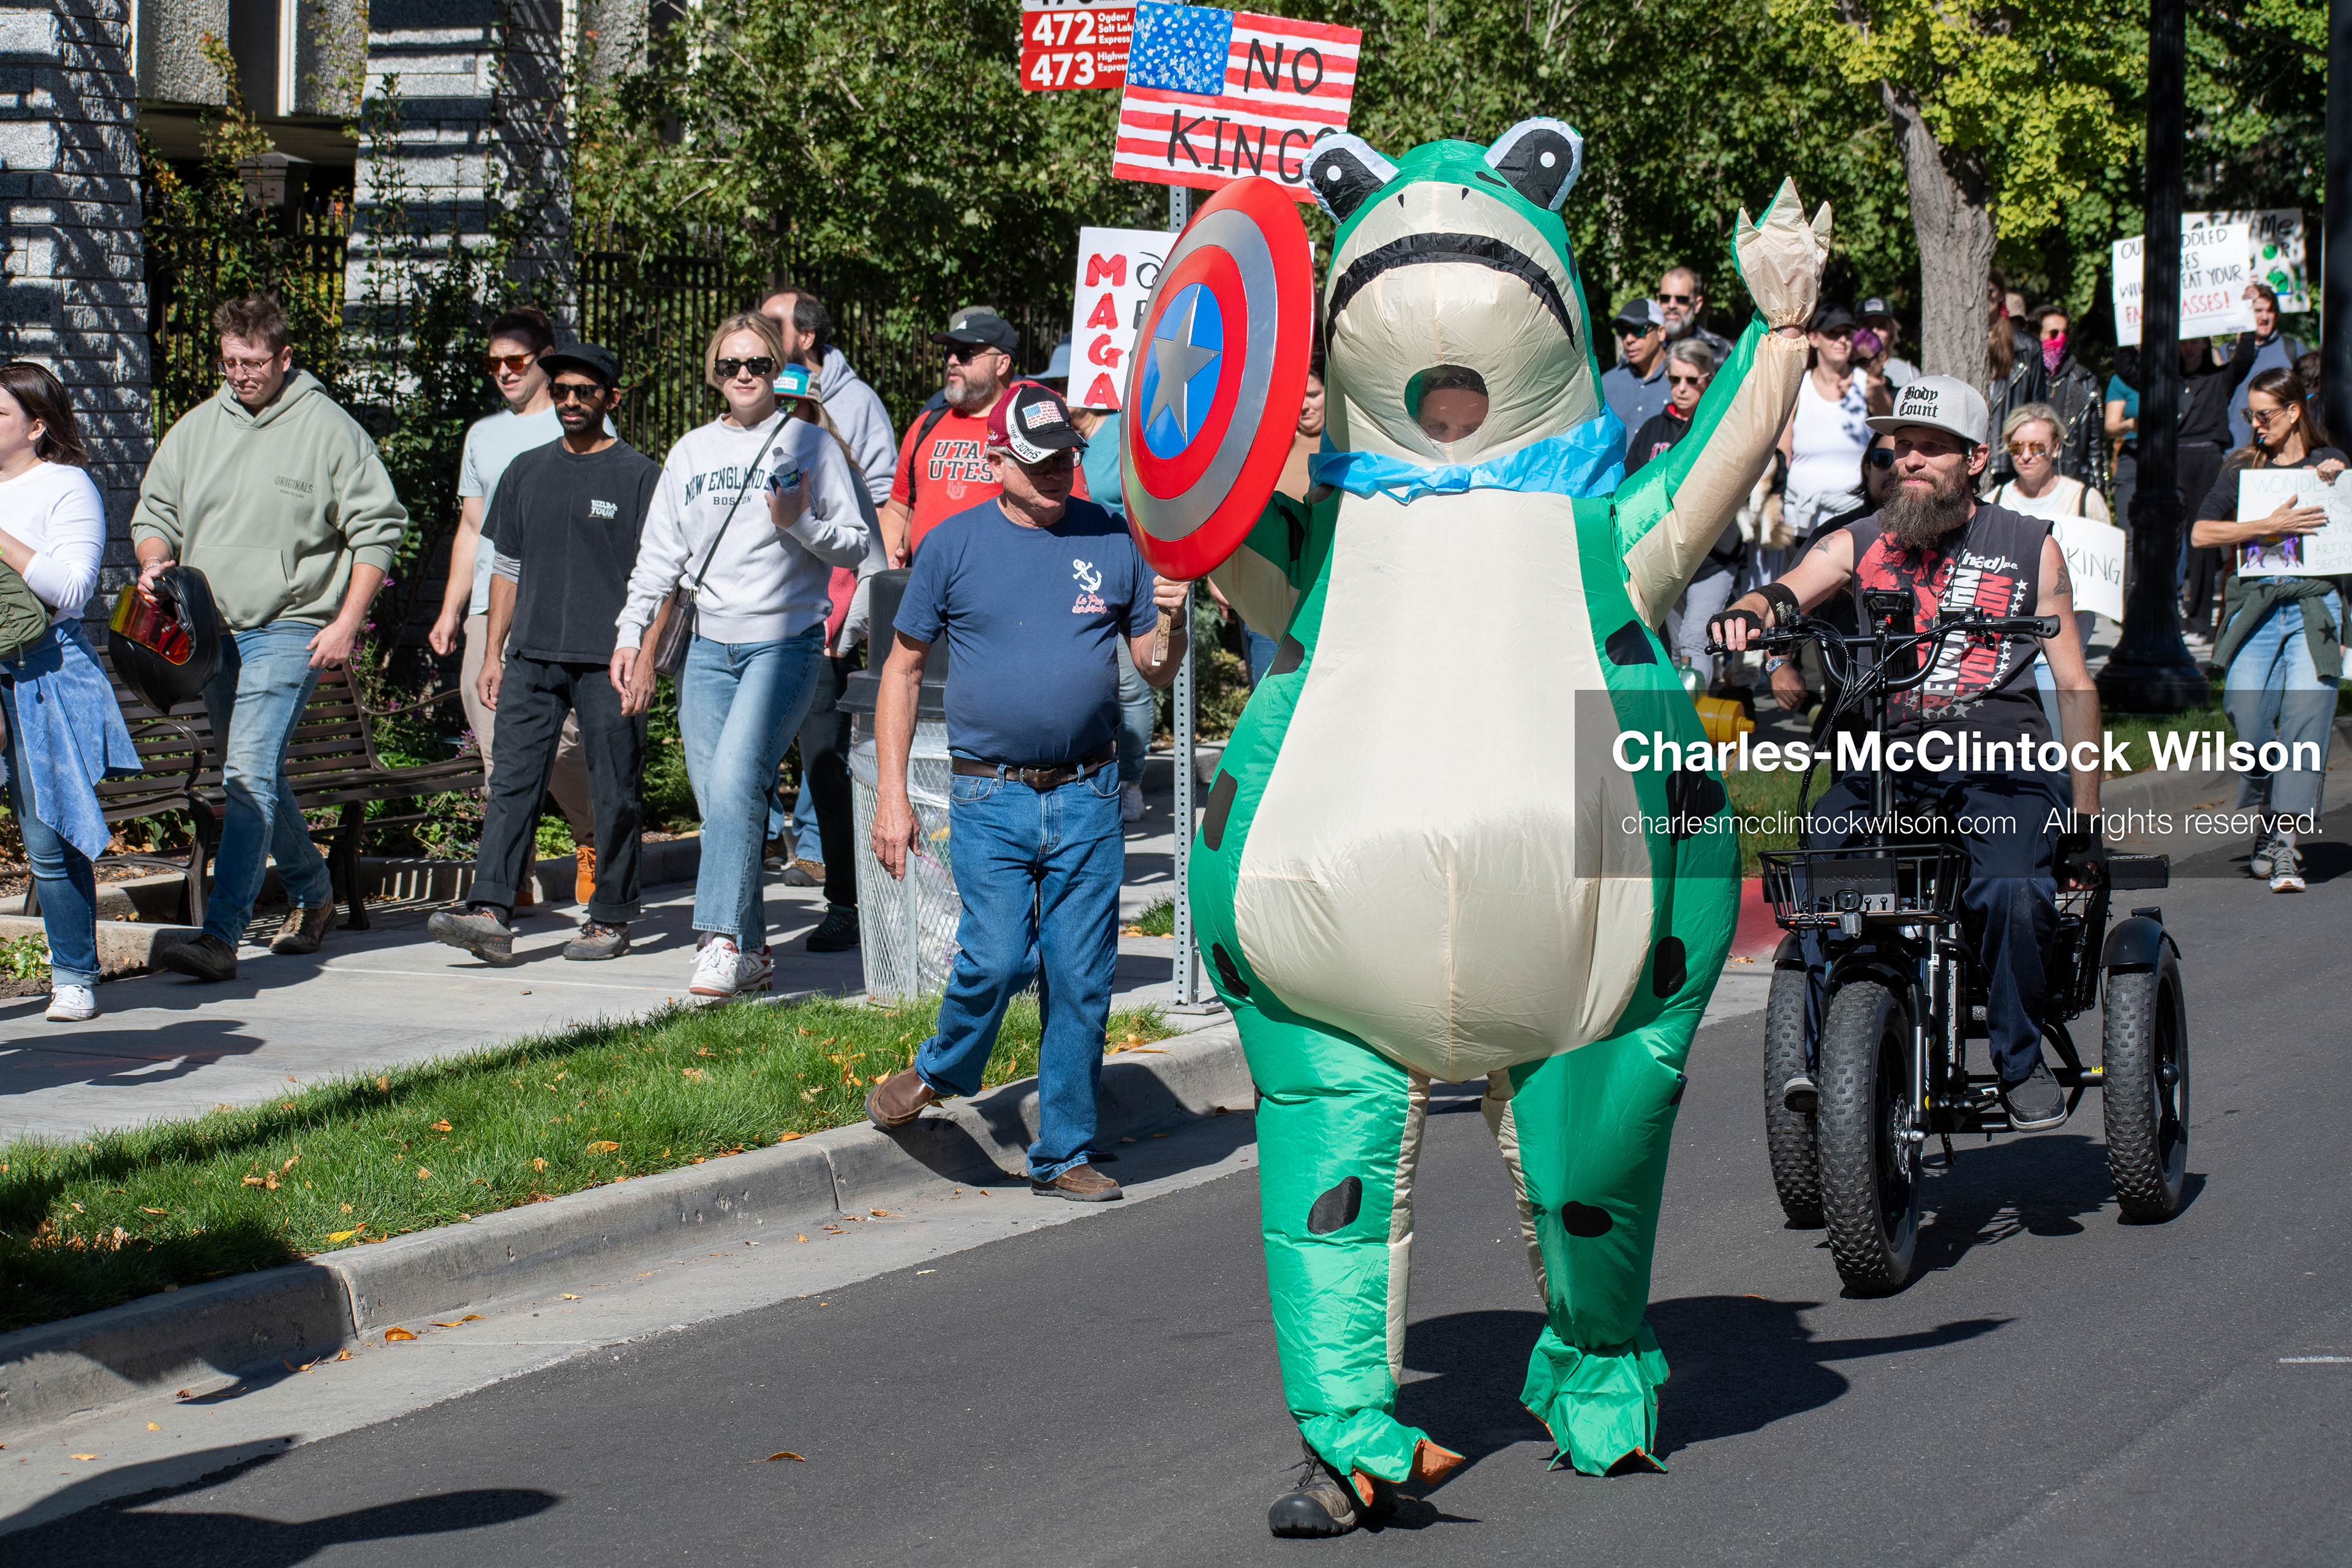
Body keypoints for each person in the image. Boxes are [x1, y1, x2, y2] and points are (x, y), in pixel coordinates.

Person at [1712, 375, 2103, 1133]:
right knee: (1822, 860)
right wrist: (1748, 612)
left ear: (1977, 459)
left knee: (2014, 886)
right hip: (1883, 767)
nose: (1910, 461)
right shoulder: (1859, 540)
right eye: (1902, 448)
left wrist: (2085, 816)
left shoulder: (2029, 547)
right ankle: (1829, 1051)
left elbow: (2076, 685)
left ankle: (2020, 1061)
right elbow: (1792, 587)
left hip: (2001, 768)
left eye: (1932, 448)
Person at [861, 381, 1188, 1200]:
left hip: (1087, 793)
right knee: (1000, 956)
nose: (1056, 476)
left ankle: (1065, 1152)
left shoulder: (1113, 538)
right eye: (1039, 463)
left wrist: (1174, 623)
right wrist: (891, 797)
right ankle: (941, 1069)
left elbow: (1153, 665)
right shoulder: (953, 543)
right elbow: (901, 671)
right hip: (988, 796)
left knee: (1082, 976)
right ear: (997, 459)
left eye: (1067, 462)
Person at [135, 293, 407, 982]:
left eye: (254, 362)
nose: (240, 375)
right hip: (211, 632)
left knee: (245, 772)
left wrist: (346, 621)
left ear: (285, 357)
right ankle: (316, 895)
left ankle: (221, 936)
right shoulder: (197, 429)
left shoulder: (329, 430)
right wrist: (153, 561)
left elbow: (378, 527)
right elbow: (156, 509)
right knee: (256, 776)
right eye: (230, 362)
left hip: (292, 625)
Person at [602, 317, 871, 993]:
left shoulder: (810, 442)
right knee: (721, 797)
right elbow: (659, 555)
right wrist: (630, 634)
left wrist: (799, 523)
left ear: (777, 369)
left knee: (735, 780)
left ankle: (719, 938)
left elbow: (858, 543)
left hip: (785, 640)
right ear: (713, 374)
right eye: (730, 366)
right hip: (707, 645)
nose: (743, 375)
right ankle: (750, 950)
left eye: (756, 363)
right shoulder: (690, 451)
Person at [427, 345, 661, 967]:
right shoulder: (526, 471)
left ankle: (609, 916)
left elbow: (665, 575)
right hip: (531, 655)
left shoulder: (640, 476)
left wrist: (645, 659)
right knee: (512, 780)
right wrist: (495, 652)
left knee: (615, 788)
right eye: (562, 391)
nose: (572, 402)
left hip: (608, 658)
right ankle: (489, 911)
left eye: (586, 391)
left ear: (613, 398)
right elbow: (505, 566)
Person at [428, 306, 600, 910]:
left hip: (555, 604)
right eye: (494, 361)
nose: (503, 371)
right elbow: (472, 529)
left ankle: (593, 837)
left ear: (544, 358)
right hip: (487, 606)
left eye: (515, 361)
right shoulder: (484, 435)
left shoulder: (575, 420)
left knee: (563, 744)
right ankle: (511, 877)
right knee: (498, 746)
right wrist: (452, 609)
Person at [0, 364, 138, 1022]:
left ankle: (74, 975)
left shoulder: (66, 486)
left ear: (36, 426)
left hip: (40, 671)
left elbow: (75, 590)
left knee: (48, 836)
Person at [2190, 366, 2343, 893]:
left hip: (2313, 607)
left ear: (2294, 411)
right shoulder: (2242, 468)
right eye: (2249, 415)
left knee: (2306, 720)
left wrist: (2333, 471)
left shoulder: (2330, 467)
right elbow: (2201, 532)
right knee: (2248, 715)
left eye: (2265, 414)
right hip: (2255, 605)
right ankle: (2269, 801)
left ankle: (2284, 845)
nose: (2256, 424)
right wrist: (2265, 527)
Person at [1040, 338, 1158, 824]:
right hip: (1064, 575)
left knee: (1129, 684)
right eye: (1055, 385)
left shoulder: (1124, 433)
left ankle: (1129, 779)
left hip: (1123, 573)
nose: (1059, 394)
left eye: (1067, 384)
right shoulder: (1050, 441)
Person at [2114, 331, 2264, 632]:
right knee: (2165, 537)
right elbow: (2126, 368)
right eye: (2183, 342)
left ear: (2206, 344)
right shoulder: (2165, 381)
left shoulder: (2220, 377)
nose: (2189, 348)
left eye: (2195, 341)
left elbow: (2245, 356)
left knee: (2203, 542)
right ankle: (2166, 609)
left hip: (2207, 459)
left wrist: (2245, 319)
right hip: (2171, 458)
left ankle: (2199, 617)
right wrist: (2130, 331)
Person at [880, 307, 1023, 565]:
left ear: (1002, 364)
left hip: (999, 591)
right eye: (949, 352)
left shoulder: (1030, 429)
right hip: (925, 591)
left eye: (965, 353)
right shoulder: (926, 425)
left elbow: (1064, 512)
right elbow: (900, 510)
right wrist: (886, 566)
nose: (952, 361)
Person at [1634, 342, 1741, 682]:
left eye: (1691, 380)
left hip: (1714, 554)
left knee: (1696, 638)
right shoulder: (1653, 429)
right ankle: (1694, 714)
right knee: (1677, 643)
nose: (1681, 388)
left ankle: (1692, 731)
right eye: (1674, 378)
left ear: (1708, 380)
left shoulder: (1725, 427)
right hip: (1668, 554)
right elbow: (1631, 484)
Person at [1778, 304, 1880, 551]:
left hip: (1857, 521)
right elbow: (1783, 454)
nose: (1842, 340)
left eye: (1847, 334)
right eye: (1833, 334)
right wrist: (1777, 503)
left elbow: (1889, 444)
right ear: (1813, 338)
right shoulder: (1798, 387)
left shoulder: (1870, 387)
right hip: (1802, 521)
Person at [2024, 305, 2107, 492]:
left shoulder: (2084, 381)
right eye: (2053, 334)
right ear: (2036, 335)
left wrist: (2098, 492)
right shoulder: (2023, 378)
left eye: (2065, 333)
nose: (2060, 340)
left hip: (2070, 483)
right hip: (2029, 485)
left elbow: (2095, 447)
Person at [2223, 284, 2307, 451]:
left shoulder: (2293, 349)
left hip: (2281, 453)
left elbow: (2307, 402)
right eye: (2258, 311)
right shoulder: (2226, 352)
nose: (2264, 317)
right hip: (2235, 452)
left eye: (2270, 311)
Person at [1600, 297, 1669, 440]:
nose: (1629, 339)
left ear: (1661, 332)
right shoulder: (1607, 383)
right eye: (1622, 331)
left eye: (1638, 330)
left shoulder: (1681, 381)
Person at [1657, 265, 1734, 360]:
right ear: (1658, 300)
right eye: (1665, 298)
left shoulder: (1721, 351)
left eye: (1682, 299)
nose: (1672, 305)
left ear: (1697, 304)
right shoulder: (1644, 350)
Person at [1856, 298, 1919, 387]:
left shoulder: (1909, 374)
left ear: (1892, 328)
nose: (1875, 332)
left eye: (1882, 326)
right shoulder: (1846, 371)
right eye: (1867, 326)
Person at [2105, 368, 2139, 524]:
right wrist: (2131, 424)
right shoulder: (2121, 379)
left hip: (2174, 452)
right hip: (2132, 453)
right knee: (2129, 526)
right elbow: (2110, 428)